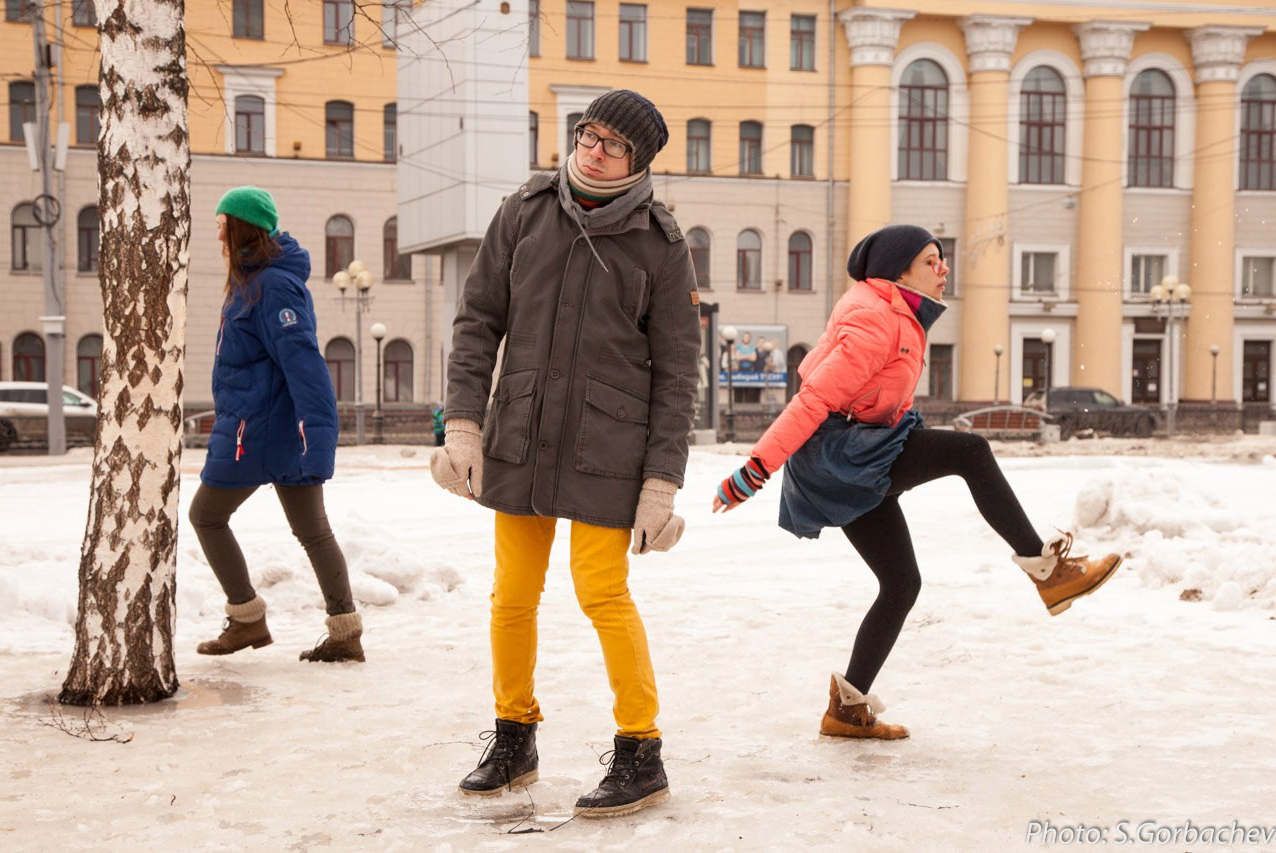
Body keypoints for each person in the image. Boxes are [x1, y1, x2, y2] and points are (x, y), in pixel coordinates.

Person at [712, 224, 1121, 739]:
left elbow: (882, 398)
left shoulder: (900, 315)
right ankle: (1047, 572)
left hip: (864, 452)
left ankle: (847, 710)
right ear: (899, 270)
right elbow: (812, 401)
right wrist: (753, 472)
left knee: (902, 583)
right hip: (844, 456)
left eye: (942, 259)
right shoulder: (875, 319)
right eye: (932, 260)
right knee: (972, 451)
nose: (943, 269)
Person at [431, 90, 700, 816]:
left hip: (611, 446)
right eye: (589, 133)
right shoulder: (525, 210)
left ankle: (641, 748)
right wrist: (463, 422)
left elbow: (678, 373)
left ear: (637, 160)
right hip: (520, 434)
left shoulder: (662, 244)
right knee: (512, 591)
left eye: (612, 143)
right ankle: (515, 734)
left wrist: (662, 483)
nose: (593, 148)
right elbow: (478, 319)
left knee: (601, 592)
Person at [191, 186, 364, 664]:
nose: (216, 234)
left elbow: (305, 365)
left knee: (207, 516)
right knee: (313, 531)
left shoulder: (272, 286)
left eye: (222, 224)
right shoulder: (252, 281)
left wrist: (320, 439)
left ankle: (247, 618)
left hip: (260, 433)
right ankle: (344, 632)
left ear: (242, 228)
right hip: (261, 427)